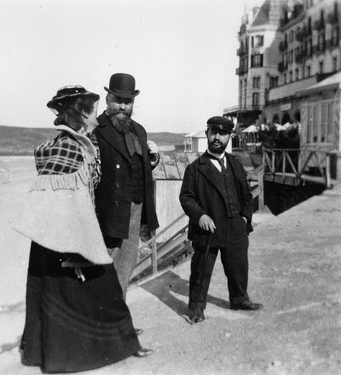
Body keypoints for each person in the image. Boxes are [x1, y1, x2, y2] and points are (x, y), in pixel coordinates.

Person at [14, 85, 151, 374]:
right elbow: (57, 203)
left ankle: (79, 352)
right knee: (99, 291)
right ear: (81, 113)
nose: (95, 117)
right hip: (64, 238)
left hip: (70, 233)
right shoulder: (69, 145)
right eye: (91, 110)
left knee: (82, 294)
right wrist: (77, 249)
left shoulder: (80, 142)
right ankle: (86, 353)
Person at [179, 116, 262, 324]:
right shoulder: (195, 168)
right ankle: (197, 308)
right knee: (201, 270)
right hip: (209, 228)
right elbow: (186, 198)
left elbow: (246, 194)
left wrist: (244, 217)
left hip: (235, 227)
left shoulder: (235, 164)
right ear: (207, 134)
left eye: (222, 134)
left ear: (229, 137)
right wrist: (200, 216)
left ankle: (239, 299)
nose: (217, 137)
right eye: (213, 132)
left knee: (238, 266)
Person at [92, 73, 159, 302]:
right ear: (108, 99)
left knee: (125, 270)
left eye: (127, 102)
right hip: (109, 214)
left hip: (136, 211)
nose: (122, 106)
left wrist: (153, 160)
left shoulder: (139, 130)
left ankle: (116, 324)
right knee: (103, 270)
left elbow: (138, 165)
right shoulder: (95, 130)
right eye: (117, 100)